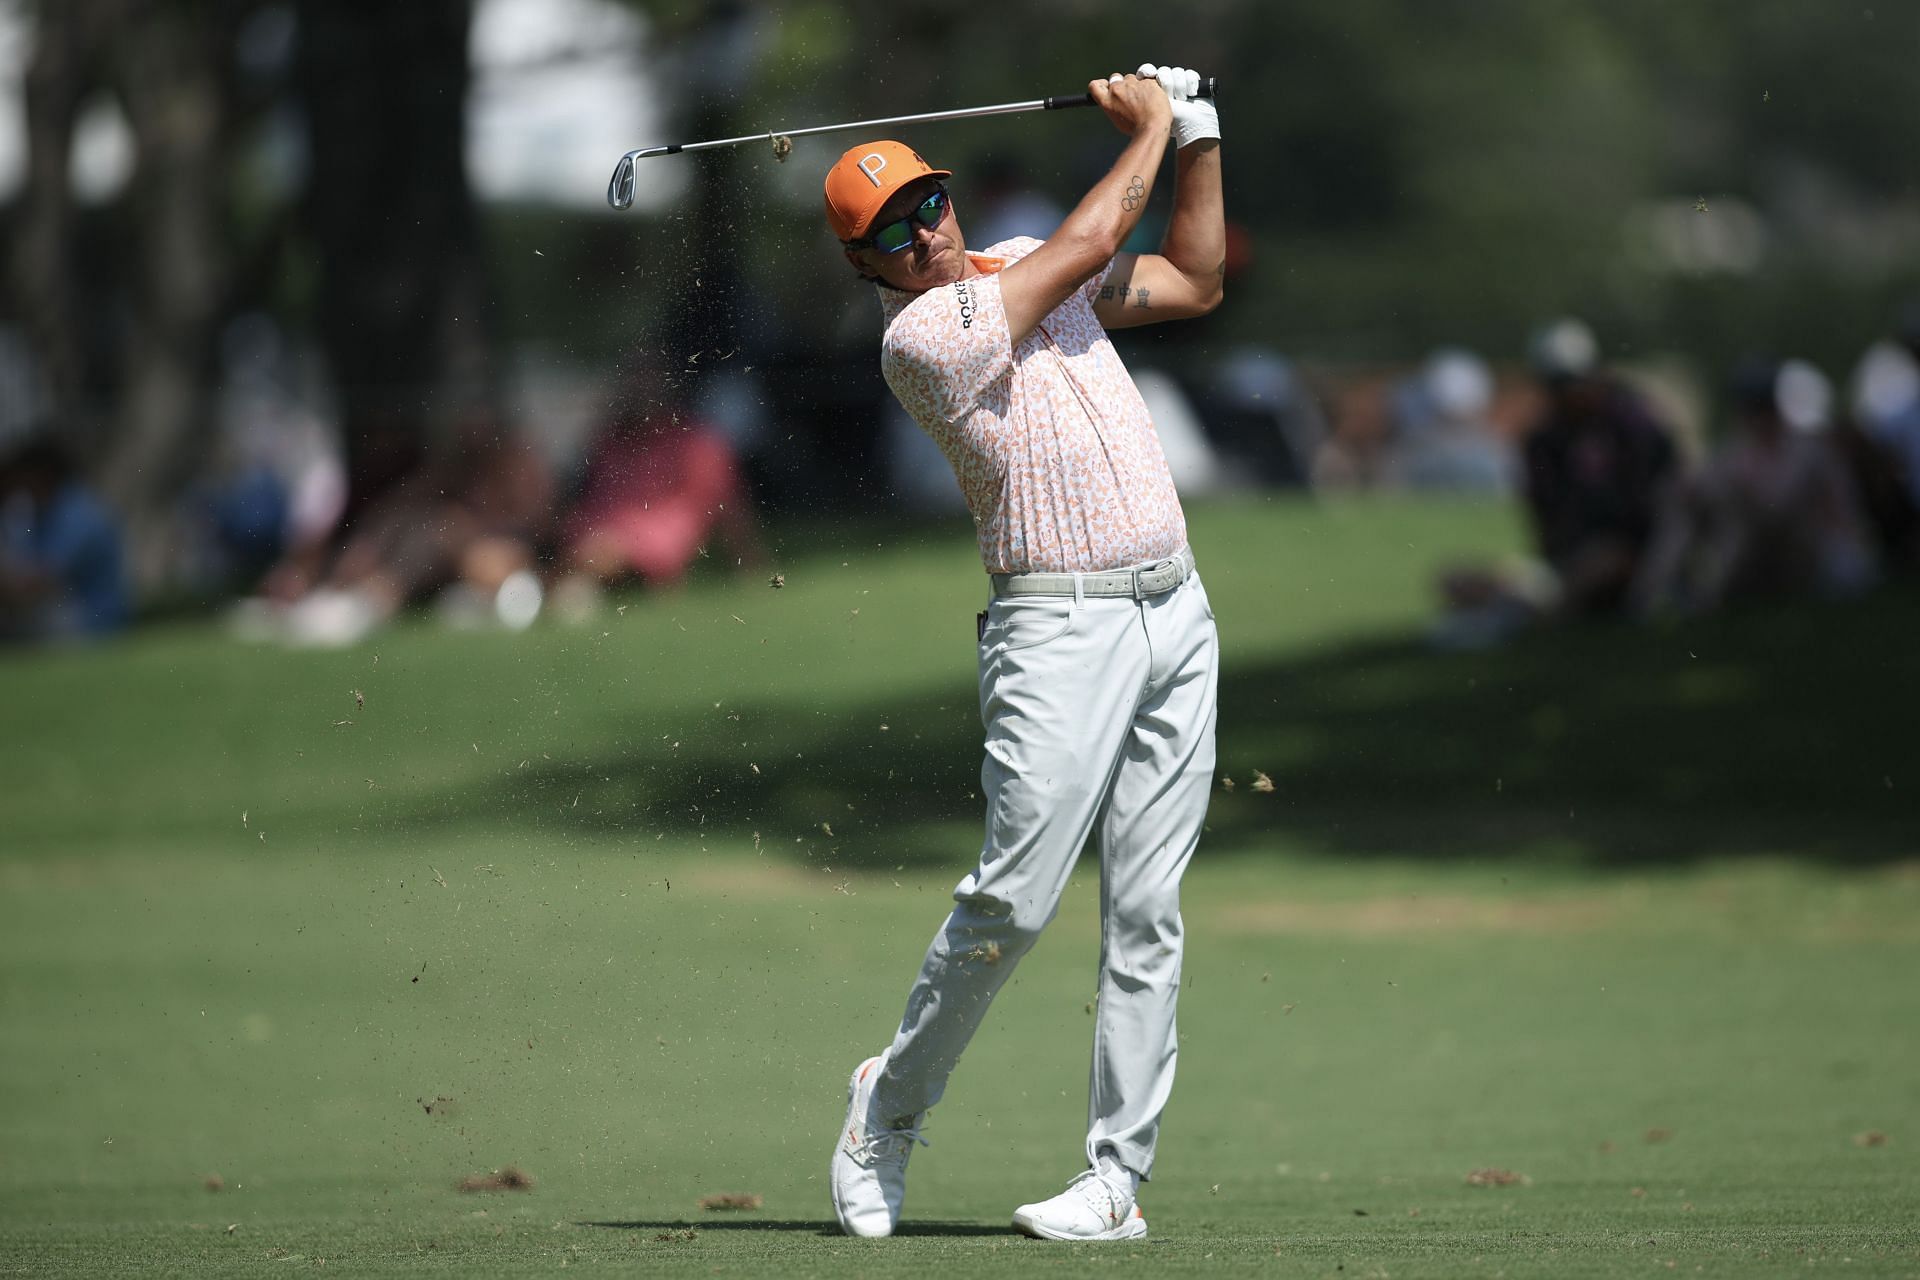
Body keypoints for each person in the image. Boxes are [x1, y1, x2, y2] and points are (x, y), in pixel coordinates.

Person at [822, 64, 1223, 1242]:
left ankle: (1116, 1179)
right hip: (1058, 628)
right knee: (1016, 896)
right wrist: (1148, 124)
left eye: (928, 203)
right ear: (867, 266)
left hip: (1175, 610)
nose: (923, 233)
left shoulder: (1005, 259)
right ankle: (884, 1107)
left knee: (1149, 910)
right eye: (891, 230)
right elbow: (1097, 231)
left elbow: (1194, 277)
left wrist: (1197, 132)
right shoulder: (922, 339)